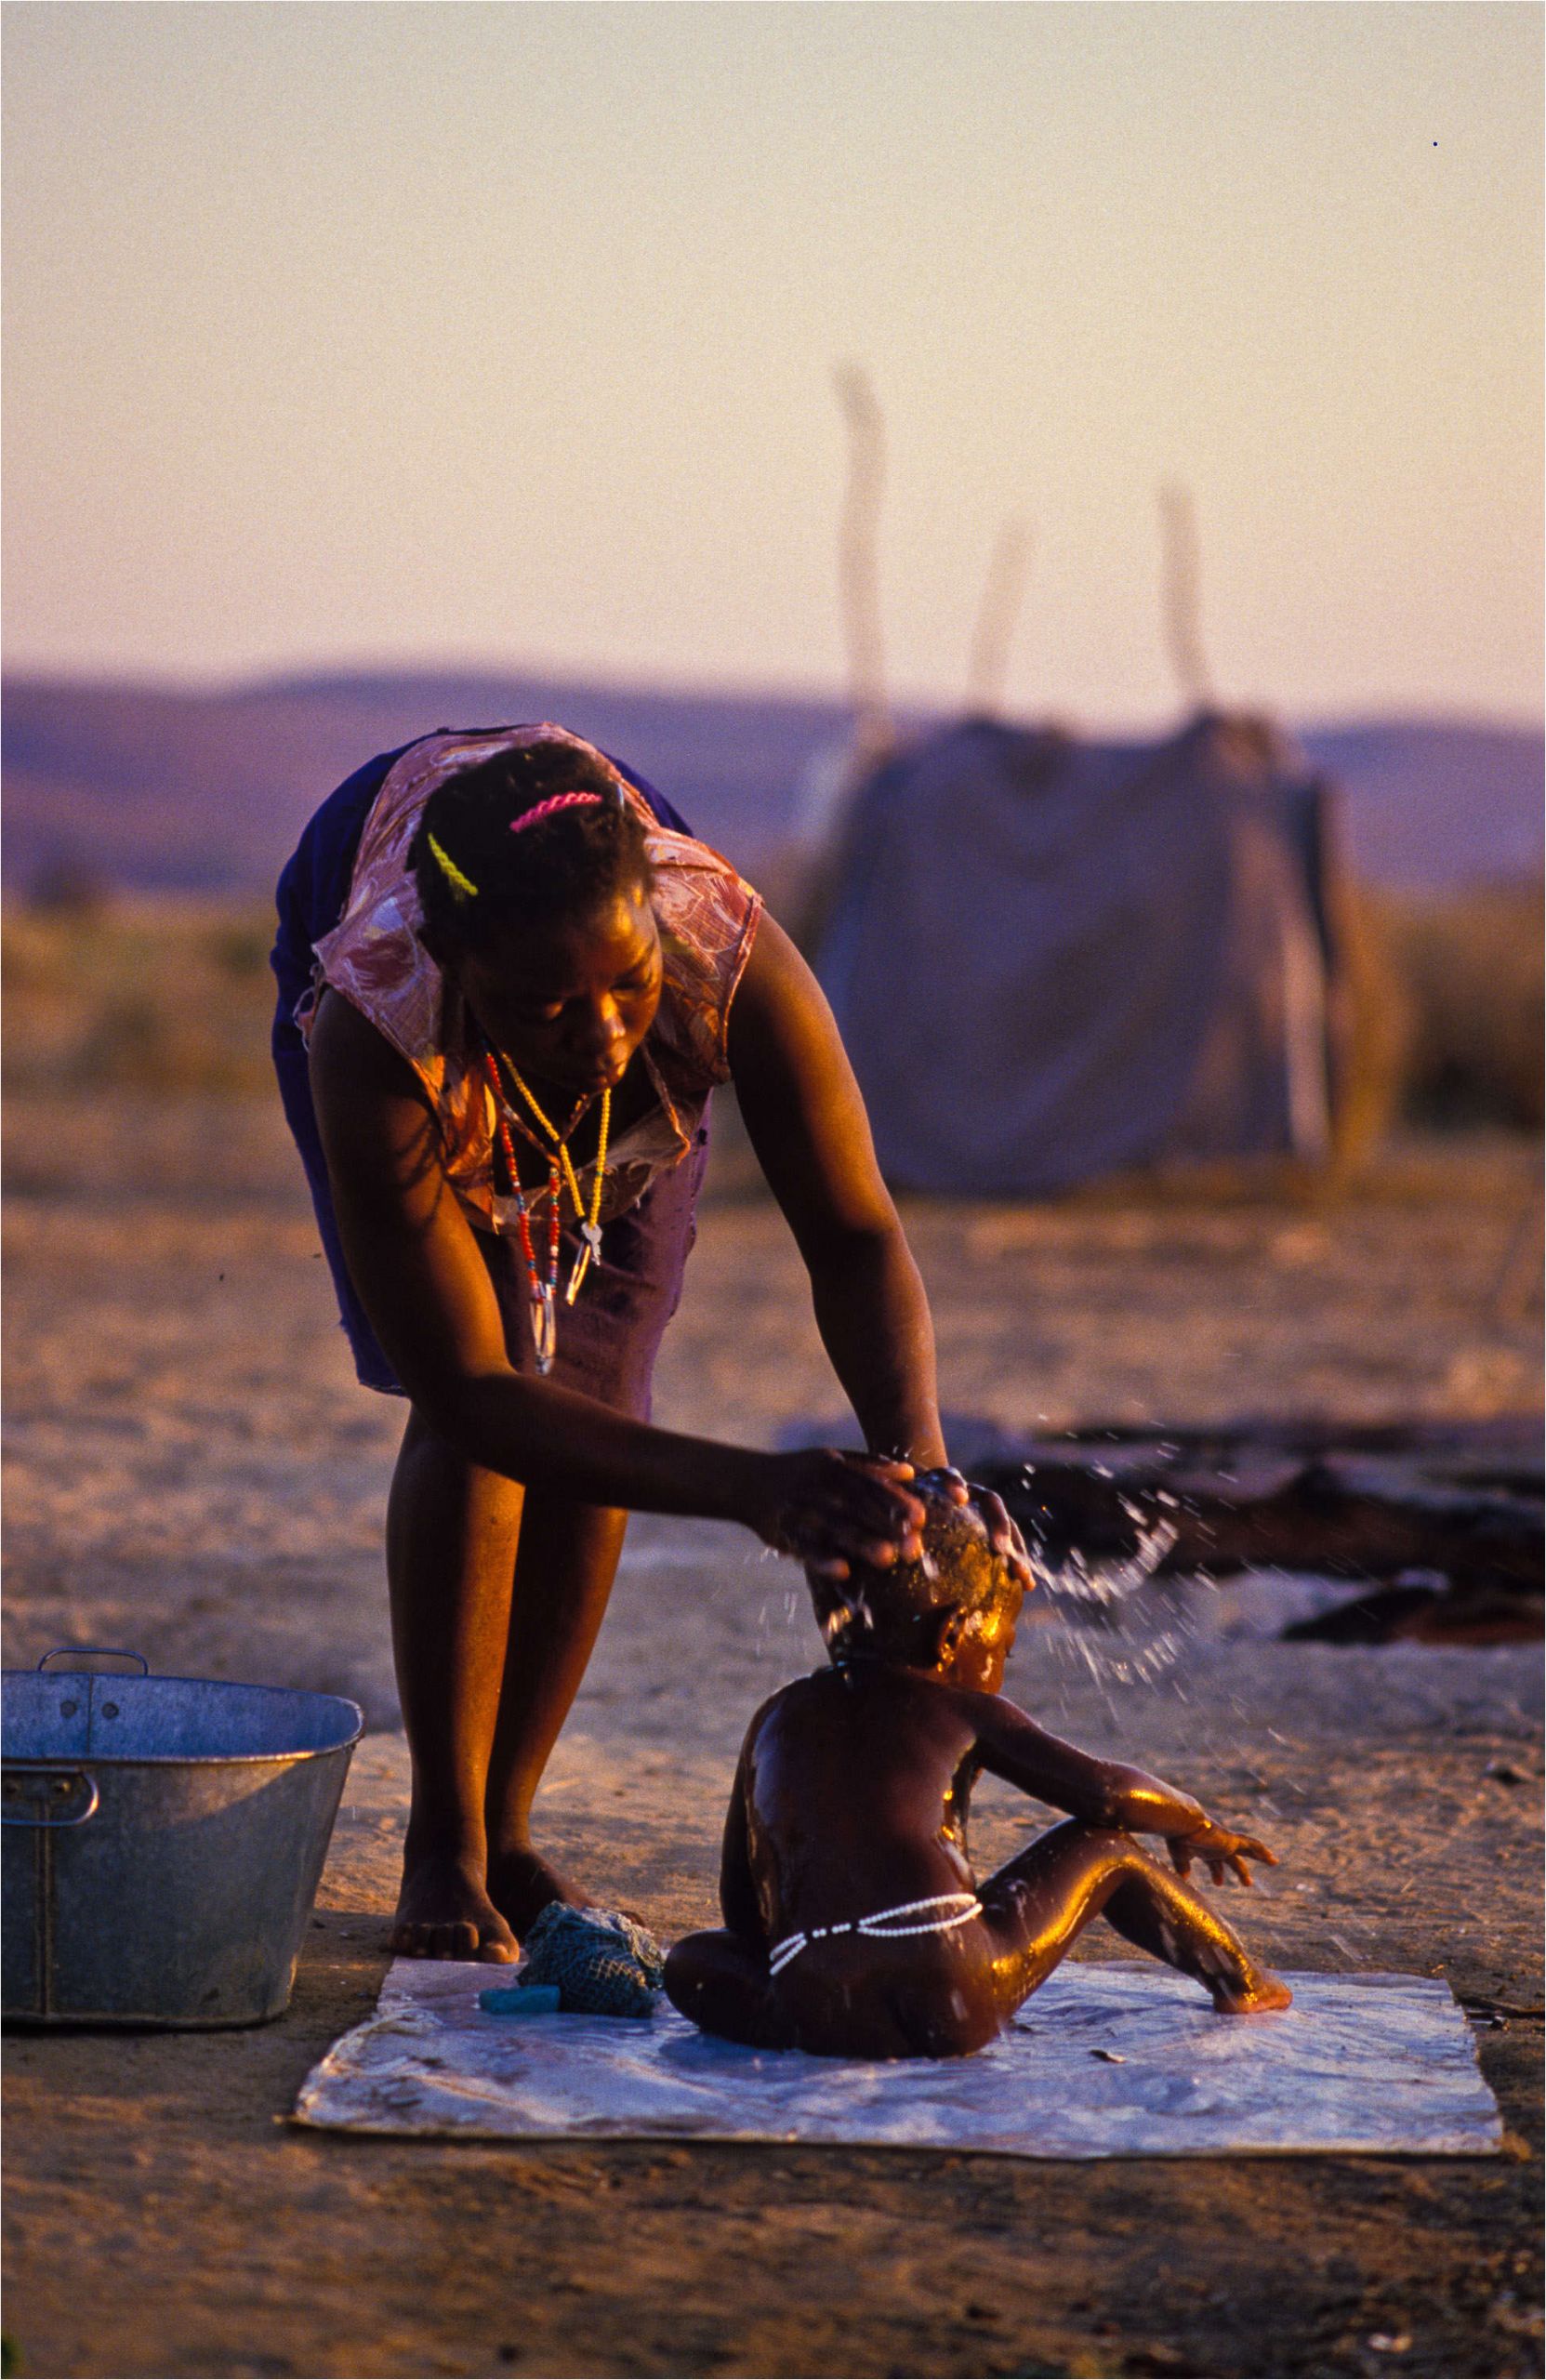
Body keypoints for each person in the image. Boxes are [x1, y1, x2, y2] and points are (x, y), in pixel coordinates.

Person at [271, 721, 1029, 1964]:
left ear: (651, 930)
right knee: (495, 1399)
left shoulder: (715, 949)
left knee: (597, 1390)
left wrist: (921, 1480)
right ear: (457, 964)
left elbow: (850, 1231)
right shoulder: (373, 1020)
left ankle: (509, 1834)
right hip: (430, 1050)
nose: (603, 1033)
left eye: (623, 985)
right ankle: (448, 1842)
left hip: (609, 1017)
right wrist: (757, 1489)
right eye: (548, 1008)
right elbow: (468, 1394)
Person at [664, 1483, 1290, 2057]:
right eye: (1002, 1646)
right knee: (1107, 1850)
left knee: (690, 1960)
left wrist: (816, 1965)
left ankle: (823, 2027)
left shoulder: (776, 1716)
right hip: (954, 1989)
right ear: (953, 1635)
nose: (1001, 1664)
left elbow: (743, 1911)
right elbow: (1106, 1794)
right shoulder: (958, 1706)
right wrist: (1197, 1823)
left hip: (819, 1999)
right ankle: (1242, 1981)